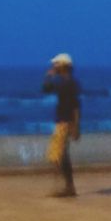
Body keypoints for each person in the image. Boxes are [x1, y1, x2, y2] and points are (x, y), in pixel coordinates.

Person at [42, 53, 81, 197]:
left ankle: (68, 186)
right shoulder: (63, 81)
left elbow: (76, 105)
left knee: (60, 154)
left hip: (66, 121)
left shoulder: (69, 83)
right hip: (63, 120)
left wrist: (76, 125)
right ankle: (67, 185)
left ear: (63, 66)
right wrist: (49, 76)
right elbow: (45, 89)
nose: (54, 67)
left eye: (56, 64)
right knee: (60, 154)